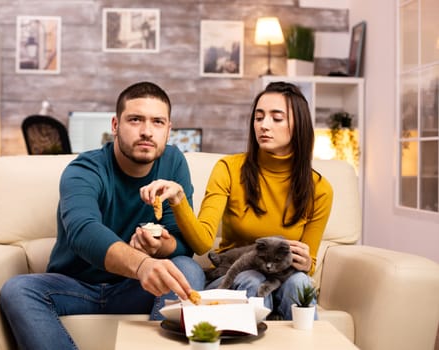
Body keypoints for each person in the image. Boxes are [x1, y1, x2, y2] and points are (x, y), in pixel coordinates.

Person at [0, 81, 205, 349]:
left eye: (157, 122)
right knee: (17, 291)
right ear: (115, 125)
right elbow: (83, 231)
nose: (146, 131)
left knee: (187, 269)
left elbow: (182, 242)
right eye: (135, 119)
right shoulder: (84, 169)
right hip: (76, 287)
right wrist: (142, 264)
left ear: (169, 129)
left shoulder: (173, 162)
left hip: (135, 290)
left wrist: (160, 246)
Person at [140, 81, 333, 320]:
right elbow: (202, 244)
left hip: (283, 277)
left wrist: (305, 262)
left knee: (301, 283)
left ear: (299, 125)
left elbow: (310, 264)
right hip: (234, 274)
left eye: (276, 118)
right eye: (259, 117)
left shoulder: (320, 189)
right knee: (251, 279)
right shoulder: (229, 169)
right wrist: (178, 198)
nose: (264, 125)